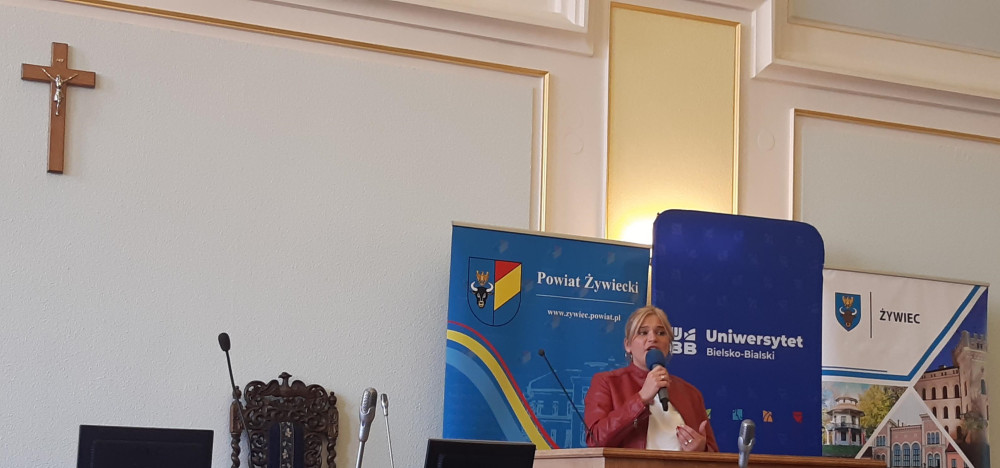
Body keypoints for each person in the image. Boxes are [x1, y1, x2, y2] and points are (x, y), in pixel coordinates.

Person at [584, 305, 718, 451]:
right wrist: (641, 398)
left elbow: (714, 454)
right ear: (628, 345)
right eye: (643, 333)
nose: (653, 338)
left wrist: (702, 449)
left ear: (669, 344)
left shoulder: (691, 393)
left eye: (661, 333)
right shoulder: (607, 382)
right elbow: (595, 440)